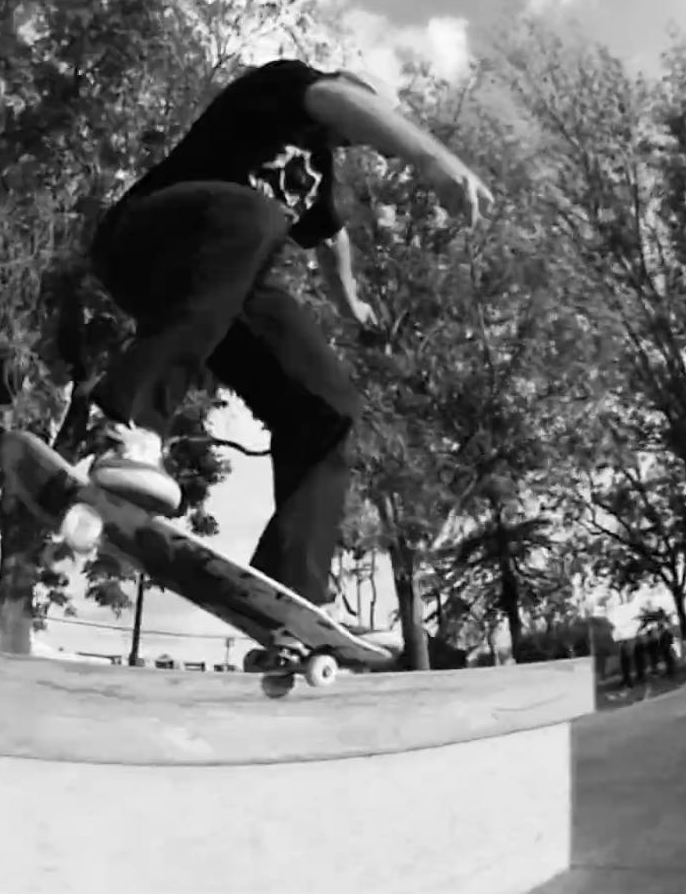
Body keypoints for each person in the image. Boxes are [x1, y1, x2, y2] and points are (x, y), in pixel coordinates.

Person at [86, 58, 493, 613]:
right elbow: (335, 100)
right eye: (362, 130)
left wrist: (350, 301)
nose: (357, 143)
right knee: (256, 216)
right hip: (147, 238)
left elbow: (330, 236)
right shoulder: (286, 85)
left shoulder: (318, 169)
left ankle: (291, 595)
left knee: (326, 407)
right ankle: (131, 428)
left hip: (217, 286)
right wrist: (432, 159)